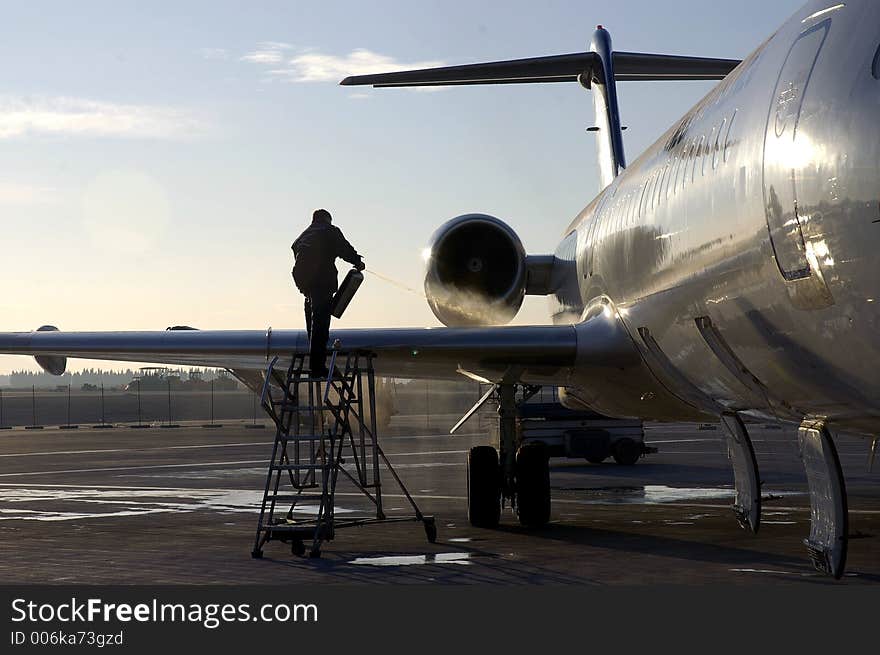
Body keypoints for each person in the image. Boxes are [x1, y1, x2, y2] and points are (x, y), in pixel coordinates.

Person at [291, 209, 365, 377]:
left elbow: (297, 255)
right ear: (327, 219)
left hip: (305, 285)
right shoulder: (330, 231)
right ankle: (317, 367)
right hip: (321, 283)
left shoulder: (302, 237)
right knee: (321, 325)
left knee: (312, 324)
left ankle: (315, 363)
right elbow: (344, 248)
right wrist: (357, 261)